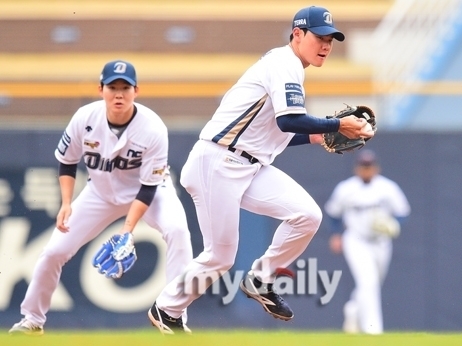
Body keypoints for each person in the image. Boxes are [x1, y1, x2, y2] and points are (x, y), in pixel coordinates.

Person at [146, 6, 375, 334]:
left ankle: (261, 279)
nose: (326, 44)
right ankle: (167, 309)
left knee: (307, 215)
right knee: (220, 256)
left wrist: (315, 135)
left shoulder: (291, 67)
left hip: (249, 164)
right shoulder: (284, 64)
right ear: (297, 34)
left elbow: (278, 129)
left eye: (331, 39)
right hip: (217, 161)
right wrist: (337, 123)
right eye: (319, 37)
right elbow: (287, 120)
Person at [8, 60, 193, 335]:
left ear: (136, 91)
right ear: (101, 89)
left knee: (178, 231)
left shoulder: (153, 127)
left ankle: (173, 315)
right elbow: (67, 162)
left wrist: (127, 231)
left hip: (153, 192)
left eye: (125, 88)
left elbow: (148, 187)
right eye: (112, 87)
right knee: (53, 252)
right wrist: (67, 203)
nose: (119, 94)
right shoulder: (85, 118)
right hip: (101, 192)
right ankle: (32, 321)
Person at [324, 149, 410, 334]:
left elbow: (402, 212)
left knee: (371, 284)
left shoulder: (388, 188)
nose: (366, 170)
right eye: (363, 166)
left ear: (376, 168)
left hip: (381, 242)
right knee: (368, 281)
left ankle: (353, 309)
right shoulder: (346, 188)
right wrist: (336, 235)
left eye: (369, 166)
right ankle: (373, 330)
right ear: (357, 168)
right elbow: (334, 214)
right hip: (356, 240)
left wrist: (393, 224)